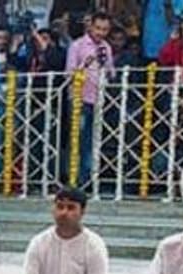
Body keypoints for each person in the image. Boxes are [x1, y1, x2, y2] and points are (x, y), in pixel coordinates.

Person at [64, 12, 114, 188]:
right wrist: (85, 65)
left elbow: (111, 73)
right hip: (80, 99)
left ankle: (88, 179)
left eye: (105, 29)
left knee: (92, 139)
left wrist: (105, 67)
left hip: (98, 100)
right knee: (77, 138)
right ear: (90, 26)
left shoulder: (106, 47)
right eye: (98, 28)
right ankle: (73, 178)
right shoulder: (77, 45)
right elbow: (69, 73)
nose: (101, 33)